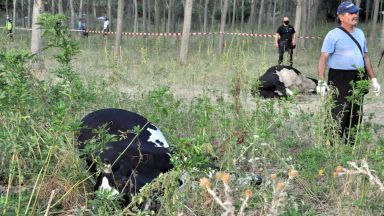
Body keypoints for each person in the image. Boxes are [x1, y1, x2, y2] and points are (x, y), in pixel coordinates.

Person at [317, 1, 381, 143]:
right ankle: (331, 144)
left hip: (359, 76)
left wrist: (373, 79)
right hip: (339, 77)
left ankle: (351, 144)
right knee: (338, 111)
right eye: (351, 13)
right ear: (341, 16)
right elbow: (323, 59)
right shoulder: (332, 35)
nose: (355, 15)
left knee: (356, 112)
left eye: (355, 12)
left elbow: (365, 56)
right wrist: (321, 81)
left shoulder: (360, 33)